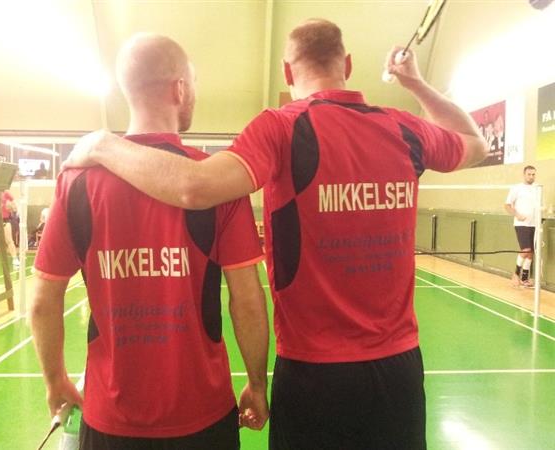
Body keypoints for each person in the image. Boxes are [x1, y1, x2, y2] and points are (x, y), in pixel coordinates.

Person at [65, 19, 488, 449]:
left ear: (286, 71)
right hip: (398, 370)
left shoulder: (280, 128)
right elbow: (475, 143)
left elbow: (194, 187)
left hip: (312, 374)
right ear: (347, 64)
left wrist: (102, 144)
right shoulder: (405, 128)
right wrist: (415, 83)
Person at [30, 34, 269, 450]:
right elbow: (246, 300)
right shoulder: (218, 182)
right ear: (180, 90)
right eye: (193, 85)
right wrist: (256, 384)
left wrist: (55, 381)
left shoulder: (77, 181)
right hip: (203, 416)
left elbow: (43, 300)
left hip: (110, 421)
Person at [505, 165, 537, 288]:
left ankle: (524, 279)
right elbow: (507, 205)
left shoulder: (537, 188)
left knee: (531, 252)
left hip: (534, 224)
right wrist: (517, 215)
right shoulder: (516, 188)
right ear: (524, 175)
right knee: (526, 250)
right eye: (529, 174)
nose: (531, 176)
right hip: (521, 224)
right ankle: (516, 274)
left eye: (533, 174)